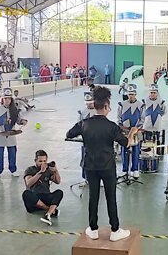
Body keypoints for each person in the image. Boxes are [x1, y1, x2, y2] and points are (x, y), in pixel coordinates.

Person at [66, 86, 137, 241]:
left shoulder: (84, 123)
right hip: (107, 166)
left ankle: (93, 229)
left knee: (93, 196)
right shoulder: (112, 126)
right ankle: (115, 230)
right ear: (105, 106)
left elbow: (69, 134)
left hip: (90, 166)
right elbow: (126, 144)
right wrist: (132, 133)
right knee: (111, 197)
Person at [0, 88, 28, 179]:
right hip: (0, 134)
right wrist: (3, 121)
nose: (7, 100)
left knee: (12, 152)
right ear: (1, 99)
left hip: (11, 135)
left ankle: (13, 169)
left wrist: (22, 121)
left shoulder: (14, 109)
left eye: (9, 98)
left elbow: (18, 120)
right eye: (5, 98)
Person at [23, 150, 62, 225]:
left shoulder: (48, 170)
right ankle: (50, 210)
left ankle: (48, 214)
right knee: (26, 194)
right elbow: (28, 183)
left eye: (44, 161)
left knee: (59, 192)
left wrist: (55, 171)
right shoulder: (30, 170)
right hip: (34, 200)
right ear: (35, 160)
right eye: (40, 161)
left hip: (45, 196)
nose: (42, 163)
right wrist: (40, 172)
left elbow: (58, 181)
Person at [117, 84, 145, 178]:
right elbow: (119, 117)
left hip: (136, 131)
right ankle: (124, 169)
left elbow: (142, 118)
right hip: (125, 131)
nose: (131, 96)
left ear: (135, 94)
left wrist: (136, 128)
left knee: (136, 151)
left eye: (132, 94)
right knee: (124, 150)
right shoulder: (122, 104)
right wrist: (121, 127)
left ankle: (135, 169)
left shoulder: (141, 105)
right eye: (129, 94)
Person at [76, 91, 96, 187]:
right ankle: (84, 178)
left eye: (91, 102)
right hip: (85, 142)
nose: (89, 105)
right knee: (84, 160)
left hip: (97, 142)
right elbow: (78, 126)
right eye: (87, 103)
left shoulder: (98, 112)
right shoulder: (82, 112)